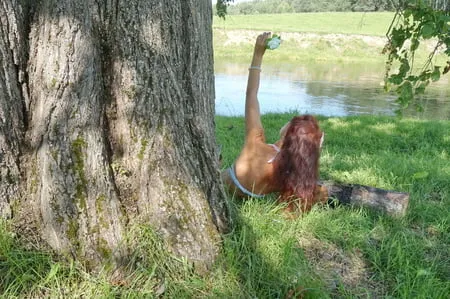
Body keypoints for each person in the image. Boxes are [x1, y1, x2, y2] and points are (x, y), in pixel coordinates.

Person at [221, 32, 328, 215]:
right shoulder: (291, 172)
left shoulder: (256, 146)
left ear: (287, 132)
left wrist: (257, 55)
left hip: (220, 184)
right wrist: (313, 147)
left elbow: (251, 94)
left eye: (292, 121)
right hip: (248, 194)